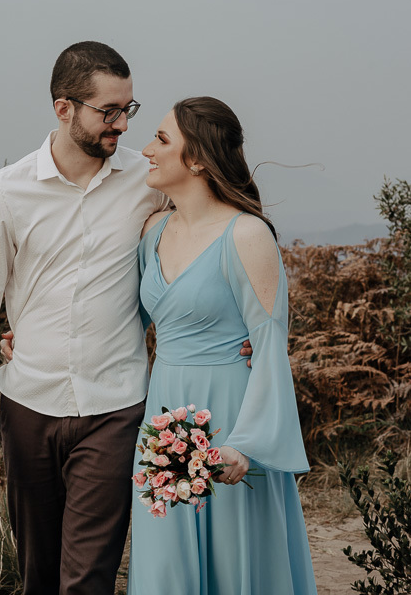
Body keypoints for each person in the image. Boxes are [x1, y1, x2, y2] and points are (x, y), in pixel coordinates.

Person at [0, 41, 168, 594]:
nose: (121, 125)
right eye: (108, 111)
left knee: (87, 581)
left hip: (115, 407)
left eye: (128, 109)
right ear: (63, 107)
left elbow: (212, 230)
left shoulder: (147, 184)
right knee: (39, 578)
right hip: (28, 404)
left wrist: (234, 329)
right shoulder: (5, 193)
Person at [126, 96, 317, 594]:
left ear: (197, 159)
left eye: (162, 139)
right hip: (162, 418)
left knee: (235, 565)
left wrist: (246, 447)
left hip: (230, 419)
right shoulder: (152, 232)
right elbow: (123, 321)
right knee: (166, 564)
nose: (146, 149)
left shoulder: (247, 235)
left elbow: (270, 348)